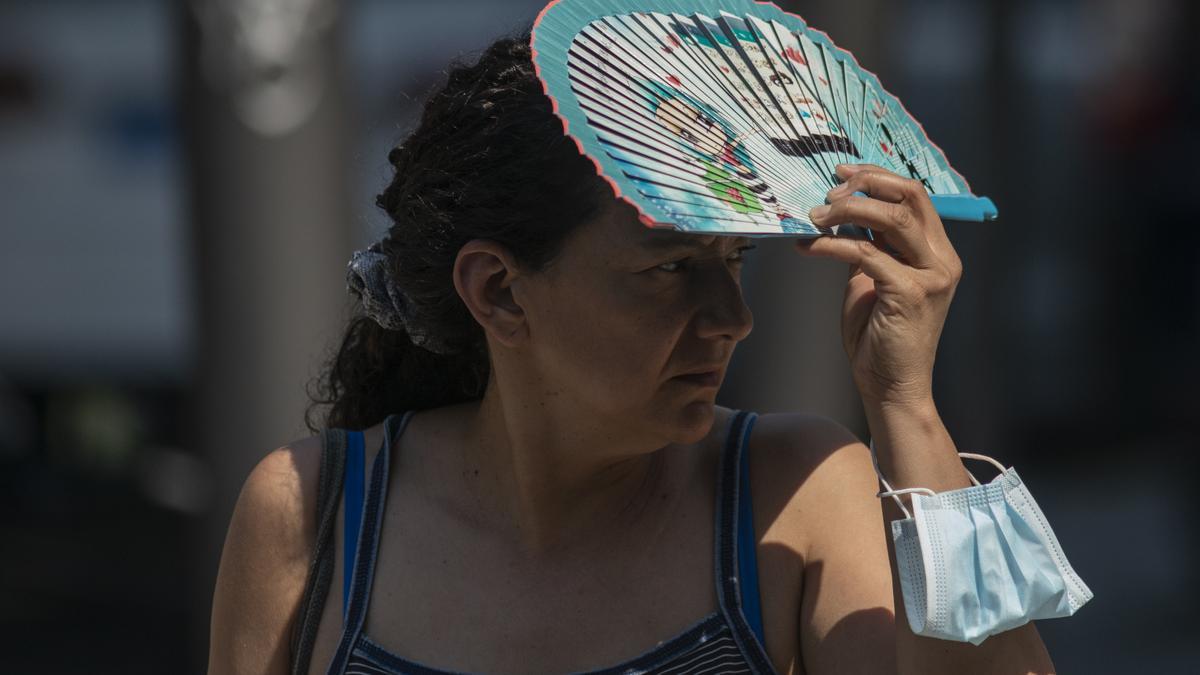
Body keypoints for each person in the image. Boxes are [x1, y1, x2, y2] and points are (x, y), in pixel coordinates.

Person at [207, 28, 1056, 675]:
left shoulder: (792, 492)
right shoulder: (312, 509)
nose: (732, 318)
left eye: (734, 260)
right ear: (498, 290)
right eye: (672, 268)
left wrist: (905, 404)